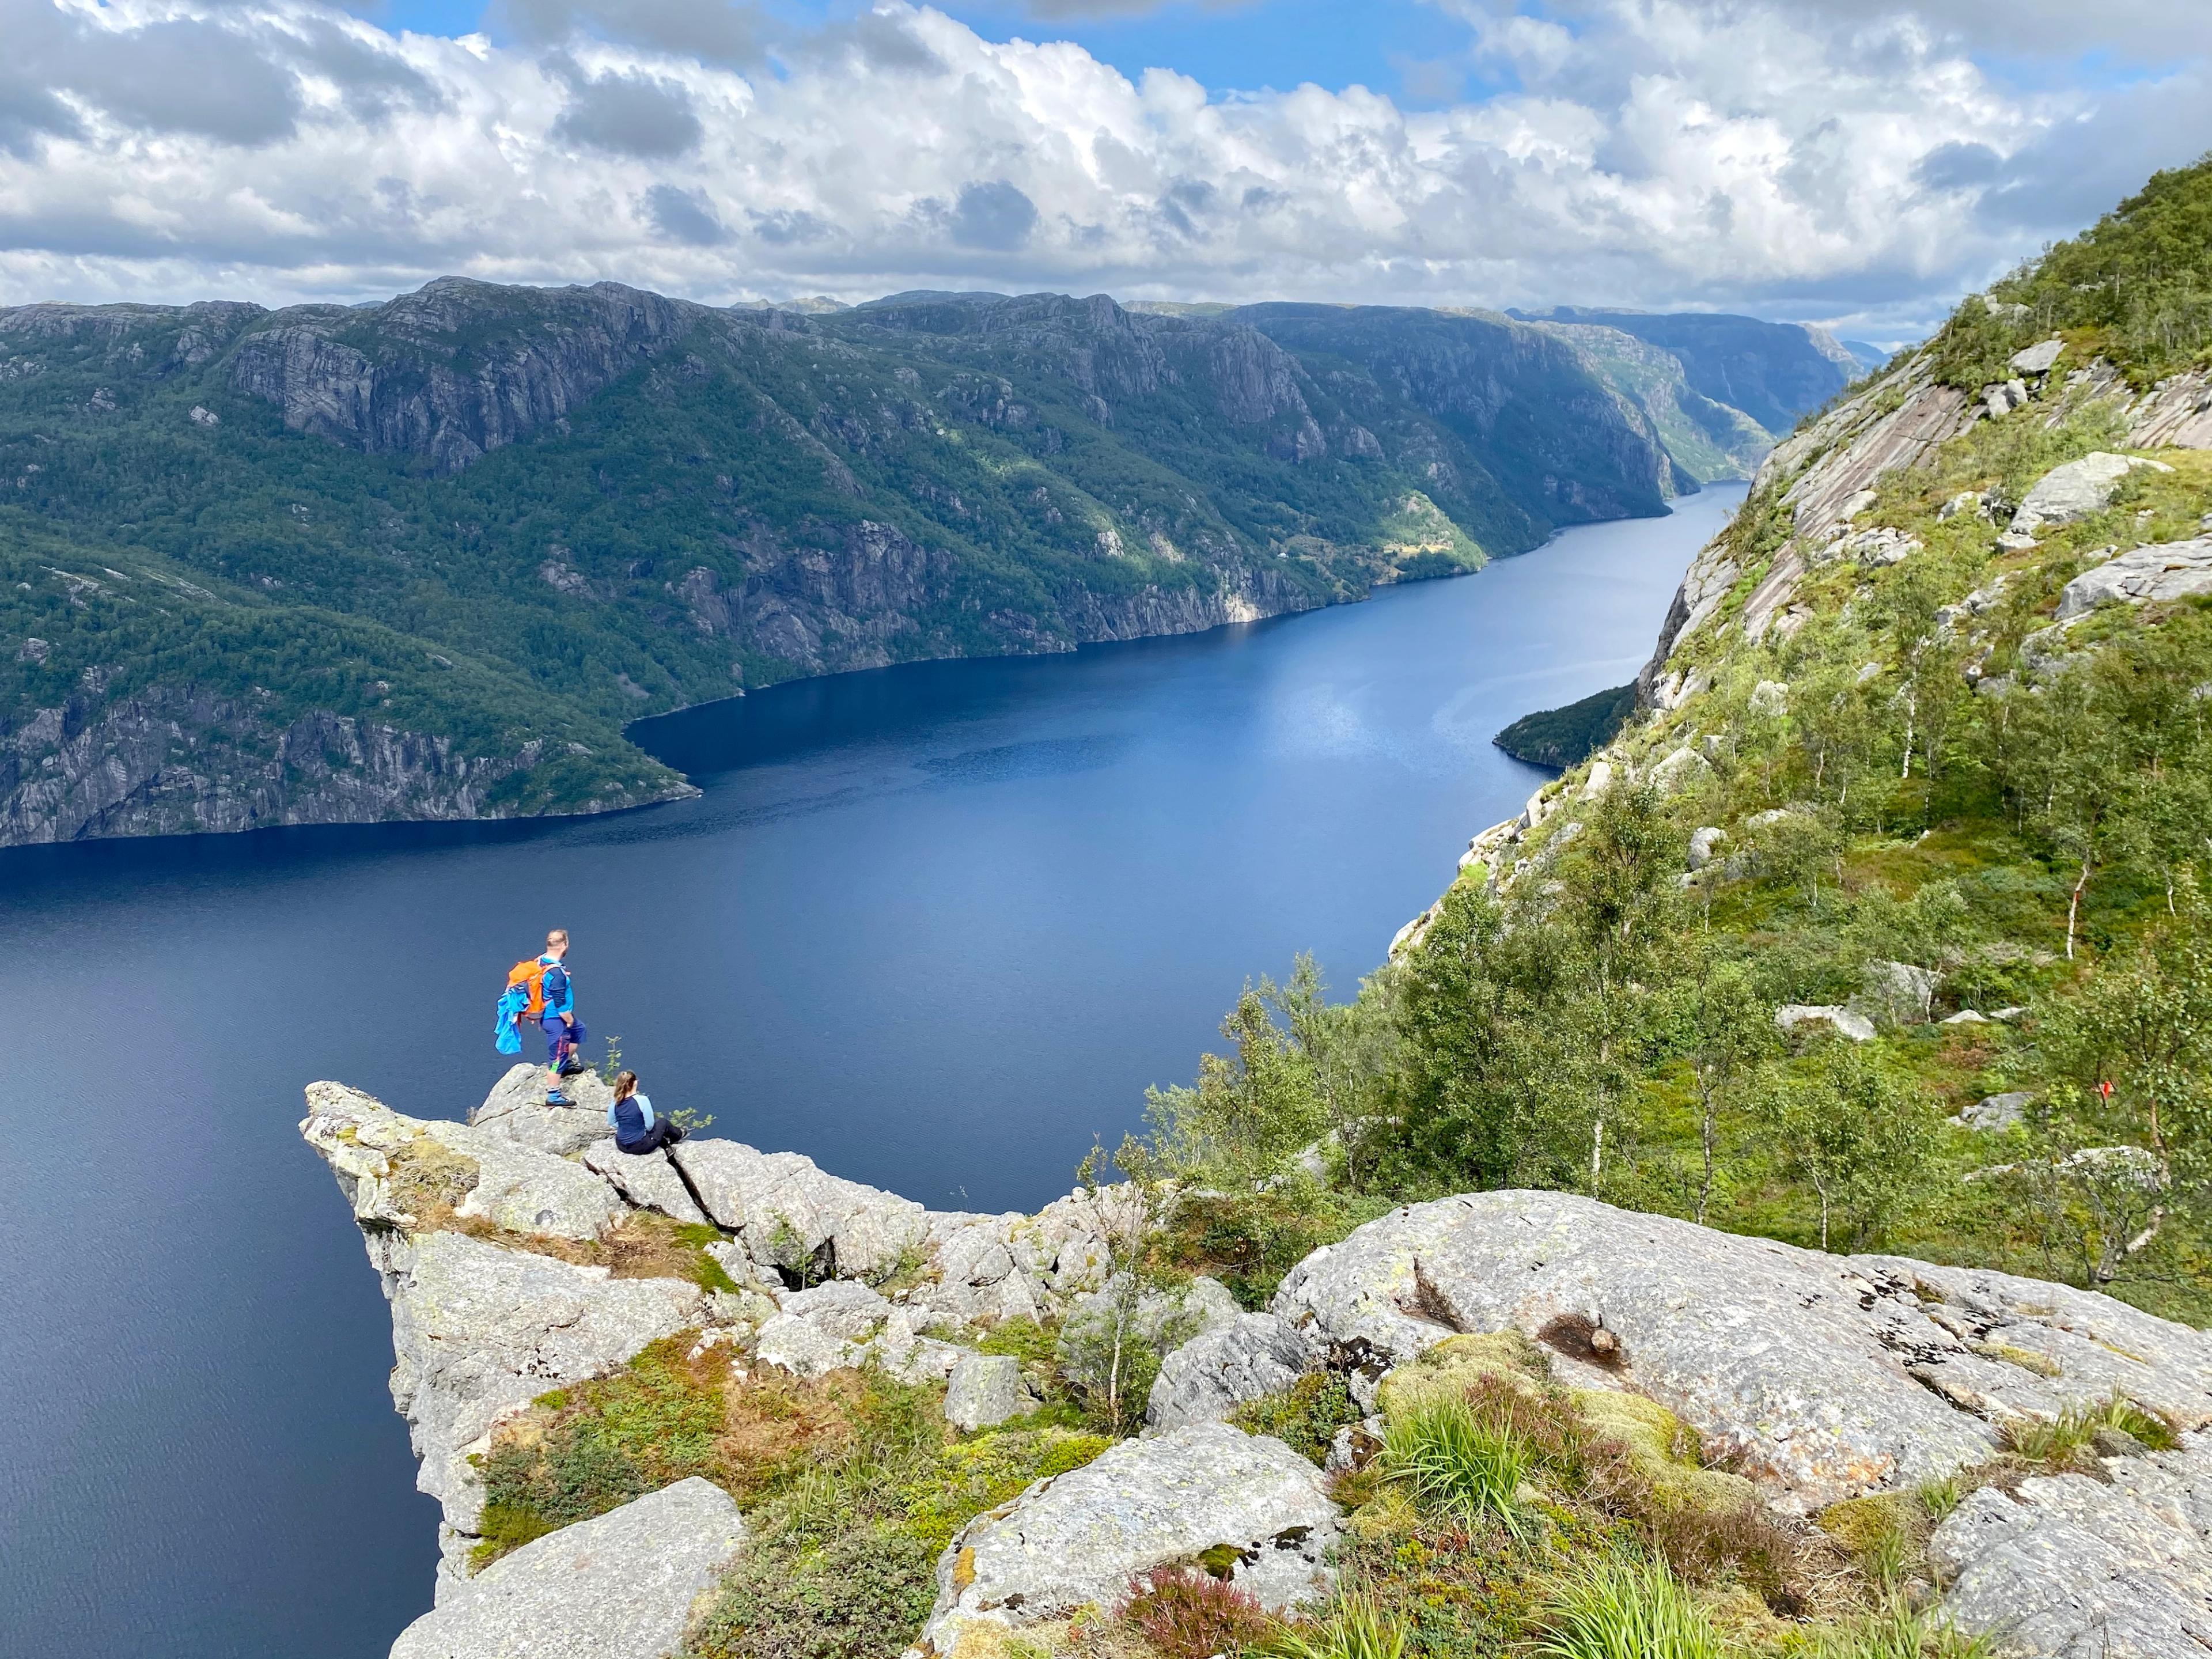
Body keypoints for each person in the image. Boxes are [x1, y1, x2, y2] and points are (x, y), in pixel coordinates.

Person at [538, 929, 588, 1106]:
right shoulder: (557, 974)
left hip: (554, 1016)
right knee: (557, 1057)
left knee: (579, 1031)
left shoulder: (543, 961)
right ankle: (553, 1095)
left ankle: (565, 1065)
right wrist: (568, 1020)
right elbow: (560, 1004)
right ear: (564, 945)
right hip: (556, 1019)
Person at [608, 1070, 685, 1154]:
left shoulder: (615, 1102)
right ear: (635, 1083)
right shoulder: (642, 1100)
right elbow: (649, 1126)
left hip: (622, 1145)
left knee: (650, 1126)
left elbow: (612, 1122)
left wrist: (628, 1126)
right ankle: (678, 1135)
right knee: (663, 1123)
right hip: (641, 1146)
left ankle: (666, 1146)